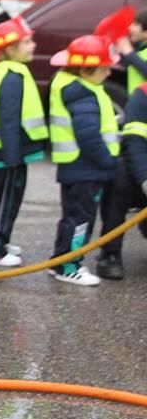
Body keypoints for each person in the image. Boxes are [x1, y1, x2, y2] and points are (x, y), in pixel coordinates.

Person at [0, 16, 49, 267]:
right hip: (10, 152)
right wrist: (12, 156)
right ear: (9, 48)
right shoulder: (11, 75)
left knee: (5, 198)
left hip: (6, 150)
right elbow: (8, 119)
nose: (33, 46)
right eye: (27, 42)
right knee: (6, 199)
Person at [47, 35, 120, 286]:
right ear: (86, 68)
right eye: (105, 68)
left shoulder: (72, 84)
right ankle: (69, 266)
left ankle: (60, 260)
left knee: (72, 216)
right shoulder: (81, 93)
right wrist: (109, 161)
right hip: (86, 168)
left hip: (77, 167)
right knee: (80, 219)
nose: (109, 73)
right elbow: (88, 135)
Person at [97, 82, 147, 280]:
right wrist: (145, 179)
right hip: (141, 170)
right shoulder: (143, 95)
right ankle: (110, 254)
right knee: (118, 177)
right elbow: (134, 144)